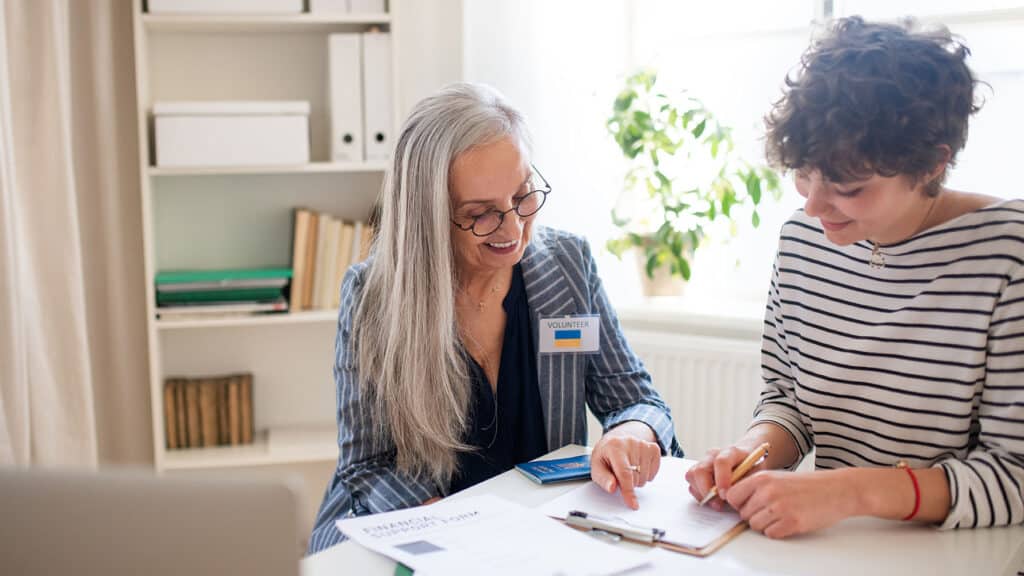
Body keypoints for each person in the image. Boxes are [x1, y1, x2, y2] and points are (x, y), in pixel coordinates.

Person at [686, 16, 1024, 538]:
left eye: (849, 186)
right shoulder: (802, 240)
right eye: (804, 174)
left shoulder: (1007, 255)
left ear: (933, 164)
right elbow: (789, 403)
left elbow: (1013, 476)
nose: (815, 205)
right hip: (837, 551)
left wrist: (851, 491)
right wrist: (753, 452)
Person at [308, 83, 682, 554]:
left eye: (523, 196)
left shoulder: (567, 264)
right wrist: (450, 533)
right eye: (481, 214)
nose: (513, 228)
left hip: (536, 539)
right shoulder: (373, 297)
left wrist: (630, 433)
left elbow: (638, 400)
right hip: (412, 533)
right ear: (429, 216)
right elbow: (366, 466)